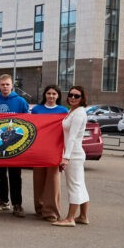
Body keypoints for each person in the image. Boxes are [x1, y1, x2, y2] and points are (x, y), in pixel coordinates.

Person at [0, 74, 30, 217]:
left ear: (12, 85)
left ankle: (17, 204)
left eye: (7, 84)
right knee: (0, 175)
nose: (5, 87)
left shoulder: (20, 102)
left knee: (15, 175)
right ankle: (3, 201)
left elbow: (29, 121)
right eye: (2, 84)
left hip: (15, 145)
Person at [30, 85, 69, 222]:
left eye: (54, 94)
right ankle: (40, 209)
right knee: (38, 180)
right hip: (39, 149)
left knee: (53, 181)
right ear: (44, 95)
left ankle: (51, 212)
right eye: (48, 93)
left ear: (58, 96)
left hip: (55, 149)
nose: (51, 96)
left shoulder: (63, 111)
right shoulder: (36, 110)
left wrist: (65, 153)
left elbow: (66, 132)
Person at [54, 86, 91, 227]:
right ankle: (83, 216)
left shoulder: (79, 113)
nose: (73, 98)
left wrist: (66, 157)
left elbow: (72, 137)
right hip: (75, 153)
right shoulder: (73, 111)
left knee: (74, 186)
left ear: (82, 98)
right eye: (71, 95)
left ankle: (70, 218)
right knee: (80, 184)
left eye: (77, 96)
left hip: (73, 154)